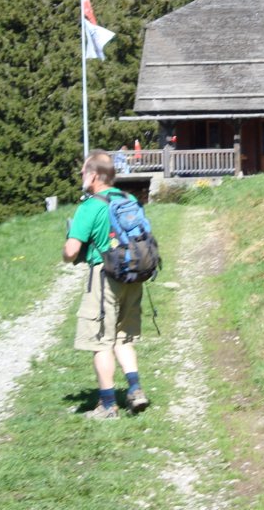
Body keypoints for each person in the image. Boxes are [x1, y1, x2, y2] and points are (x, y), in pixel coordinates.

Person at [63, 150, 150, 419]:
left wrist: (67, 249)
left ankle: (108, 405)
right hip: (133, 273)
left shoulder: (89, 207)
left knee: (101, 342)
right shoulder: (128, 199)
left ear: (94, 176)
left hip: (104, 277)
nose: (80, 175)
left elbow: (71, 252)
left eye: (83, 171)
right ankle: (135, 390)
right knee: (123, 338)